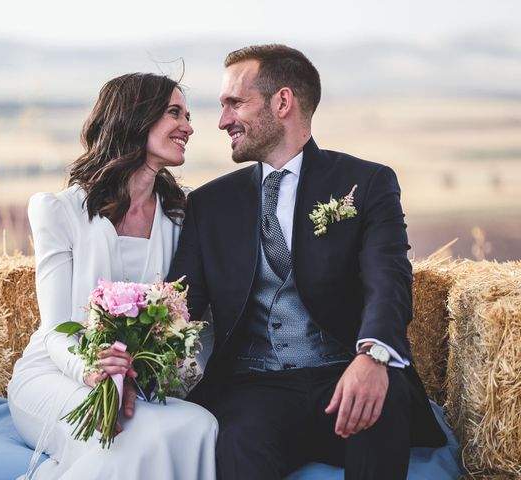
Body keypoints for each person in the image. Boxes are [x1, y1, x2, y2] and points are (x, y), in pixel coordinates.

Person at [167, 44, 447, 480]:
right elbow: (178, 304)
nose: (222, 121)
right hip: (252, 390)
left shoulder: (366, 183)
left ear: (282, 102)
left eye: (234, 103)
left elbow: (388, 280)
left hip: (346, 372)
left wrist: (373, 357)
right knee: (237, 445)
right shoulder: (209, 204)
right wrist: (132, 353)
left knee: (380, 406)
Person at [8, 72, 217, 480]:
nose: (189, 127)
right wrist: (91, 372)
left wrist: (164, 377)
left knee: (201, 426)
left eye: (187, 115)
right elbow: (55, 332)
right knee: (130, 437)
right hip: (56, 375)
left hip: (142, 386)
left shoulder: (183, 217)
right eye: (174, 112)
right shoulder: (58, 211)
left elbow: (199, 319)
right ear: (135, 117)